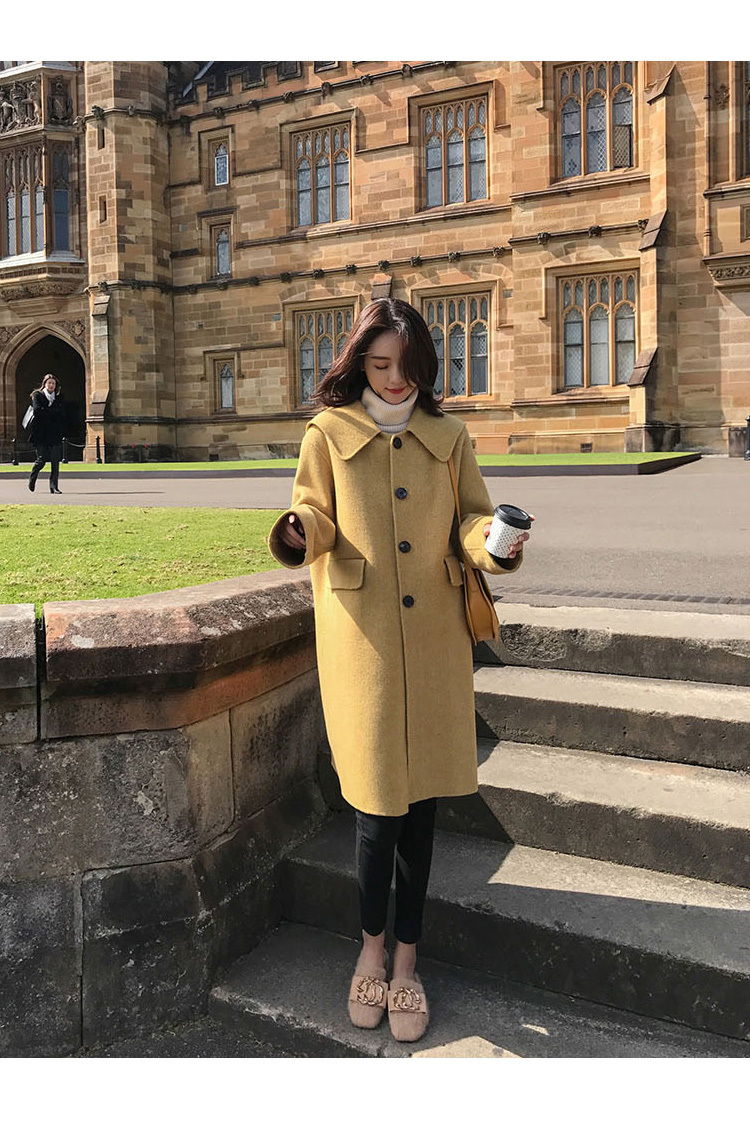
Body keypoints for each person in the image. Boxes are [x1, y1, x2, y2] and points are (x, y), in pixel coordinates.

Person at [268, 298, 532, 1044]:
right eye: (379, 364)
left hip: (437, 638)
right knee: (376, 811)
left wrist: (495, 542)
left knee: (422, 813)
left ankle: (408, 964)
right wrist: (299, 529)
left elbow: (470, 519)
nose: (393, 379)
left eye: (406, 366)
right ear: (359, 363)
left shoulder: (449, 436)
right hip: (365, 640)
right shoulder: (327, 432)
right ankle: (370, 950)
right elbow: (314, 511)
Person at [27, 374, 65, 494]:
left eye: (53, 383)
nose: (51, 385)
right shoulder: (37, 395)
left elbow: (62, 413)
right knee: (41, 459)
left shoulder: (58, 397)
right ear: (44, 384)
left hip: (55, 433)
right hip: (41, 433)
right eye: (49, 383)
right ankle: (32, 478)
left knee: (55, 461)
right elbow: (37, 411)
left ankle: (54, 486)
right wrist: (52, 413)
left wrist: (47, 412)